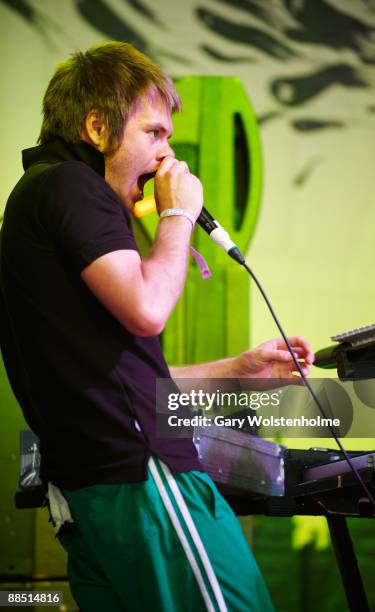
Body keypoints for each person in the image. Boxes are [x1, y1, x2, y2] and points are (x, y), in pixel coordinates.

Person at [0, 42, 314, 611]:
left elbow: (113, 377)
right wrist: (178, 215)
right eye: (155, 133)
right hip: (140, 479)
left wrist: (235, 371)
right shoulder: (73, 185)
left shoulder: (40, 192)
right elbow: (148, 309)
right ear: (97, 127)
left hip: (89, 488)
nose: (169, 157)